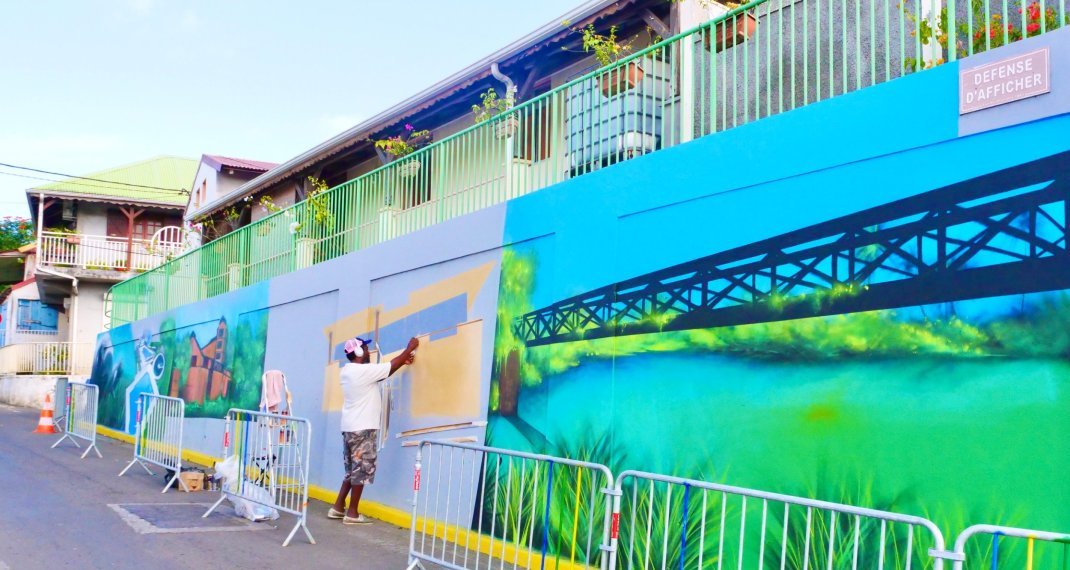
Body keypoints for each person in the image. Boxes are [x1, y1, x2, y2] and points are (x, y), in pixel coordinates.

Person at [329, 336, 419, 525]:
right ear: (360, 352)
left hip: (349, 427)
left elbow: (386, 371)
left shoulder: (349, 371)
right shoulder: (361, 371)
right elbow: (388, 367)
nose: (369, 351)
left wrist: (402, 362)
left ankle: (338, 507)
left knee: (352, 471)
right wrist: (408, 348)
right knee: (362, 470)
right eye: (366, 348)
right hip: (363, 428)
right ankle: (352, 513)